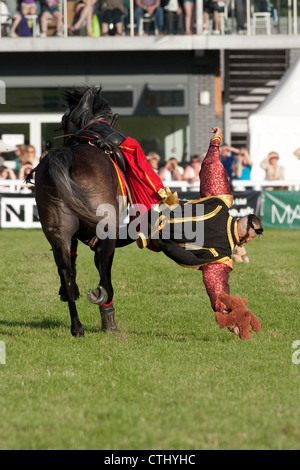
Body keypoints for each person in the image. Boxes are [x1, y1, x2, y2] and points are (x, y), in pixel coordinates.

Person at [138, 127, 264, 338]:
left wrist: (215, 141)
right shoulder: (222, 257)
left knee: (134, 157)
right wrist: (229, 314)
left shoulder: (220, 200)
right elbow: (217, 288)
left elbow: (212, 166)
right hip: (157, 238)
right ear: (248, 239)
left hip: (154, 204)